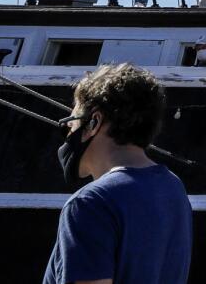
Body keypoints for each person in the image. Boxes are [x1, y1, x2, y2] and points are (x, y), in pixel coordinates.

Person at [43, 62, 192, 284]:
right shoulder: (172, 188)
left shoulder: (90, 203)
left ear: (94, 122)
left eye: (71, 124)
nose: (68, 134)